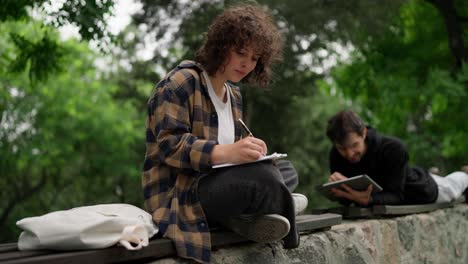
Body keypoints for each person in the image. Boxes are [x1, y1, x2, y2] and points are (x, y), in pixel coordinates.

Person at [142, 4, 307, 263]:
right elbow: (169, 146)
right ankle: (281, 207)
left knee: (284, 169)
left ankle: (245, 218)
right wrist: (227, 152)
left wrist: (248, 152)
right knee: (265, 179)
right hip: (182, 195)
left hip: (217, 187)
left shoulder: (234, 95)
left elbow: (229, 158)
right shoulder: (181, 82)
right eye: (241, 52)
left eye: (255, 58)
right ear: (220, 45)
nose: (247, 63)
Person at [325, 110, 468, 206]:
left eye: (354, 145)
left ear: (363, 133)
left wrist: (370, 199)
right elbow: (346, 200)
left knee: (453, 187)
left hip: (421, 190)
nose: (349, 154)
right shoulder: (335, 154)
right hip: (401, 181)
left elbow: (396, 196)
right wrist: (336, 190)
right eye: (342, 148)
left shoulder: (393, 148)